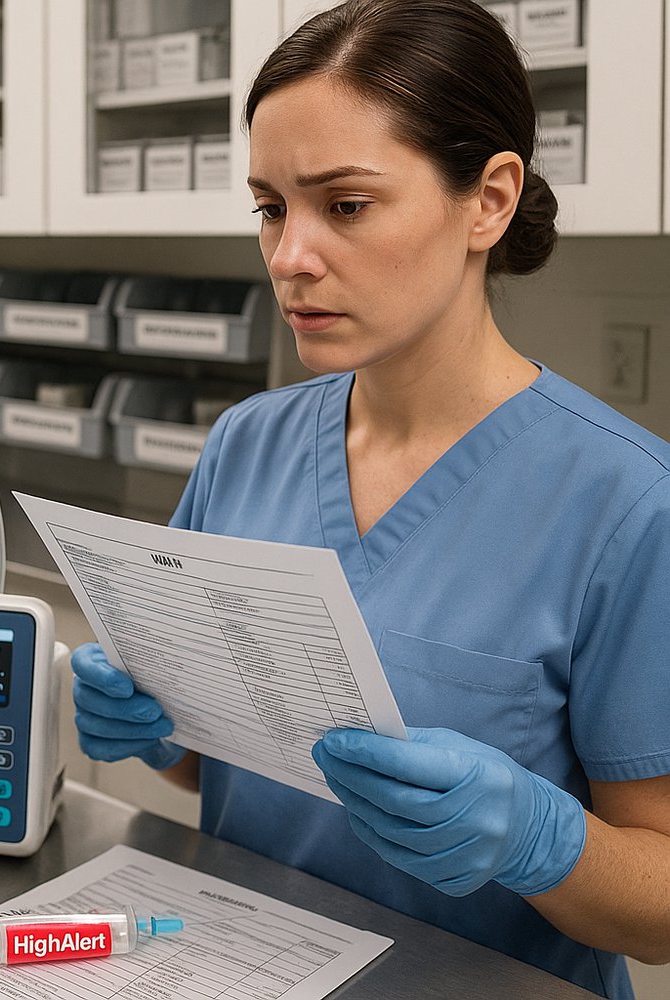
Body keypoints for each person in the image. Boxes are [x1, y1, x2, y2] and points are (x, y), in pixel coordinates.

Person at [71, 2, 670, 997]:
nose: (290, 256)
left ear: (489, 199)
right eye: (270, 207)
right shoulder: (247, 446)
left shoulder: (627, 506)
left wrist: (541, 838)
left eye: (345, 205)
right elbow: (224, 775)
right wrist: (162, 729)